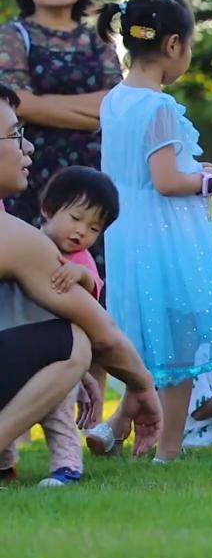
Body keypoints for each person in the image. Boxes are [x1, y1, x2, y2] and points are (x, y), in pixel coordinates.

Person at [83, 0, 212, 462]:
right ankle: (168, 450)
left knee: (148, 334)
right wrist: (208, 179)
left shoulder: (115, 99)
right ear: (174, 45)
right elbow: (166, 180)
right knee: (179, 341)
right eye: (190, 46)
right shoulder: (159, 107)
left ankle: (115, 425)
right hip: (163, 235)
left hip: (125, 230)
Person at [0, 82, 161, 485]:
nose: (29, 149)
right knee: (76, 339)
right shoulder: (16, 238)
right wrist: (142, 386)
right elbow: (102, 333)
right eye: (16, 134)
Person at [0, 165, 116, 486]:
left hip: (58, 355)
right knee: (12, 411)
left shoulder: (80, 260)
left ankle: (67, 468)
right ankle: (5, 465)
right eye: (76, 218)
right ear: (48, 210)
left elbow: (92, 287)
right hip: (21, 341)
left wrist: (79, 275)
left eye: (94, 228)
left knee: (59, 417)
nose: (82, 232)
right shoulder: (23, 241)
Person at [0, 0, 123, 237]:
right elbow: (17, 103)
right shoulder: (12, 36)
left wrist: (39, 102)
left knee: (94, 265)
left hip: (95, 174)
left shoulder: (99, 38)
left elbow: (118, 104)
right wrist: (95, 114)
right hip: (33, 171)